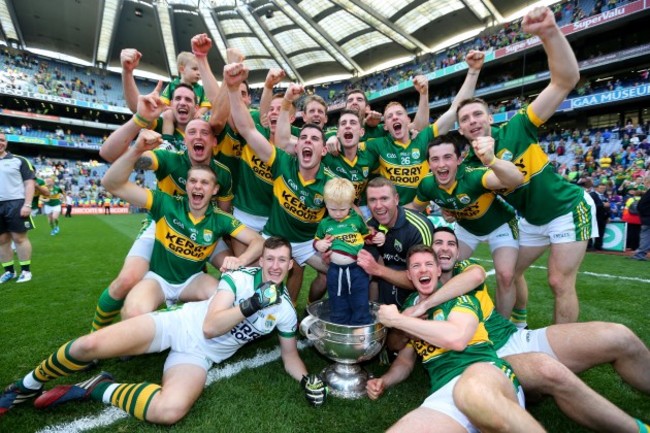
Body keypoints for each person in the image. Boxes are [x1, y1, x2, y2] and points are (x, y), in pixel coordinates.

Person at [0, 237, 326, 423]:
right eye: (269, 259)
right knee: (88, 346)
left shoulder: (283, 309)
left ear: (290, 266)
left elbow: (289, 356)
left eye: (282, 261)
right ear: (262, 260)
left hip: (198, 355)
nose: (275, 266)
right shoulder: (241, 279)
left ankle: (95, 388)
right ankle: (27, 384)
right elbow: (211, 326)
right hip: (178, 325)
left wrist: (306, 378)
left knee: (169, 411)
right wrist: (252, 303)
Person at [413, 227, 650, 433]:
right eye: (438, 243)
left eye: (451, 244)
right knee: (547, 371)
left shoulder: (466, 268)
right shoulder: (415, 289)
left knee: (619, 336)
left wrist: (426, 304)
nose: (445, 249)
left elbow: (475, 277)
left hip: (515, 337)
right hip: (486, 360)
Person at [457, 7, 591, 324]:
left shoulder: (518, 127)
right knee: (511, 272)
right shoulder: (470, 167)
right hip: (531, 220)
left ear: (490, 118)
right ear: (461, 130)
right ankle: (519, 319)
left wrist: (548, 33)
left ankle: (564, 350)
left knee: (559, 281)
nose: (472, 121)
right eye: (465, 120)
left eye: (477, 115)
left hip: (566, 208)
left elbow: (565, 80)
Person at [365, 244, 545, 433]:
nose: (423, 269)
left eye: (428, 264)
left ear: (438, 270)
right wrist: (384, 381)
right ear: (409, 275)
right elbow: (404, 358)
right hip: (445, 390)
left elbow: (457, 339)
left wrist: (399, 320)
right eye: (416, 266)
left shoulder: (459, 296)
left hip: (483, 374)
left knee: (472, 389)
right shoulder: (410, 306)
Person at [225, 62, 332, 302]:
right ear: (297, 144)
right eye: (303, 137)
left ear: (323, 149)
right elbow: (246, 129)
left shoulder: (329, 179)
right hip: (269, 231)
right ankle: (248, 310)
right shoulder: (282, 161)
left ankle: (300, 313)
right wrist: (232, 89)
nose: (308, 142)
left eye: (314, 139)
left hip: (306, 243)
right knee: (247, 275)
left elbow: (347, 210)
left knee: (343, 269)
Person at [408, 132, 524, 320]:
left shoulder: (474, 177)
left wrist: (492, 160)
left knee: (505, 276)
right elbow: (414, 208)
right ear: (429, 164)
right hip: (467, 229)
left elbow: (516, 179)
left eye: (448, 157)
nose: (441, 164)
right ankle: (441, 313)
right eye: (435, 159)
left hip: (500, 226)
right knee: (443, 266)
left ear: (459, 160)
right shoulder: (428, 184)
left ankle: (503, 326)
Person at [363, 51, 485, 206]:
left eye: (399, 114)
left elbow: (455, 110)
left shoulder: (425, 138)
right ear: (385, 126)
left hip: (419, 211)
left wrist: (473, 71)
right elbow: (350, 145)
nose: (394, 117)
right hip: (390, 214)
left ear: (408, 120)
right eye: (389, 116)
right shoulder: (378, 145)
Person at [314, 178, 385, 325]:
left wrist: (379, 236)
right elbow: (316, 241)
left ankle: (361, 326)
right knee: (337, 299)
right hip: (335, 271)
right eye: (333, 209)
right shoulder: (325, 223)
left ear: (350, 205)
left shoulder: (356, 220)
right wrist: (318, 244)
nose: (338, 214)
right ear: (326, 205)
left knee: (359, 299)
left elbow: (368, 235)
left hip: (357, 269)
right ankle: (339, 325)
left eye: (343, 209)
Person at [357, 177, 434, 309]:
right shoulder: (369, 227)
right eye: (372, 200)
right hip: (385, 288)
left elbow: (424, 280)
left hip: (418, 295)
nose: (378, 206)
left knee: (390, 275)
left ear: (396, 199)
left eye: (384, 199)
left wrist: (378, 269)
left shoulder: (417, 228)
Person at [0, 132, 35, 284]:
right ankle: (9, 272)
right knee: (1, 240)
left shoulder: (19, 160)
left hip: (16, 203)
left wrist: (27, 204)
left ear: (6, 142)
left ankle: (26, 271)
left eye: (1, 140)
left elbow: (29, 183)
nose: (0, 142)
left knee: (19, 238)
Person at [587, 180, 610, 250]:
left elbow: (608, 207)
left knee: (601, 231)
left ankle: (598, 246)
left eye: (604, 188)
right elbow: (591, 205)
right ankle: (589, 246)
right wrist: (602, 205)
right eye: (601, 188)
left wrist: (608, 216)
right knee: (592, 231)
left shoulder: (605, 196)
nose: (603, 190)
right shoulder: (592, 195)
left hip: (603, 216)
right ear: (596, 188)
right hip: (594, 216)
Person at [631, 176, 650, 260]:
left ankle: (640, 254)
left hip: (647, 219)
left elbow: (642, 206)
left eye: (645, 181)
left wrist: (643, 214)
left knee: (645, 237)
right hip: (647, 218)